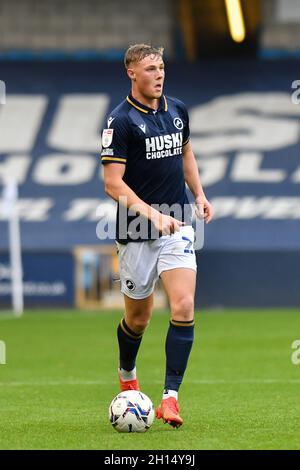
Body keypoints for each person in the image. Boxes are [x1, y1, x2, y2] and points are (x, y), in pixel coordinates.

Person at [101, 44, 213, 428]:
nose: (159, 74)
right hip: (135, 231)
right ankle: (127, 373)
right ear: (131, 73)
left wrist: (198, 194)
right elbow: (113, 184)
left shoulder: (177, 110)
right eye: (150, 68)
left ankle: (170, 399)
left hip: (177, 225)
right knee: (139, 318)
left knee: (183, 306)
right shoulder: (121, 122)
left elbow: (186, 155)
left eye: (162, 67)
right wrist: (152, 216)